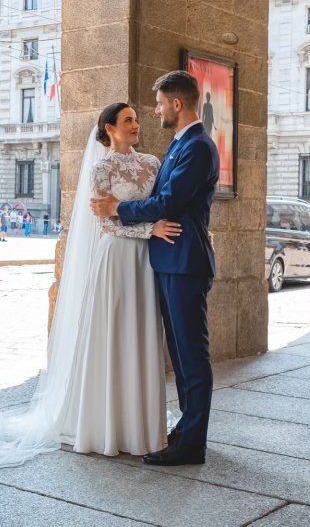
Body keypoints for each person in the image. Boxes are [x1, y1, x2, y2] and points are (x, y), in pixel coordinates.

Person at [0, 103, 181, 471]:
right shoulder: (100, 169)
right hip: (116, 258)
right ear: (109, 128)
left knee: (143, 336)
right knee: (112, 338)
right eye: (128, 120)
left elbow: (157, 205)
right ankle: (103, 426)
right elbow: (106, 223)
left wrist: (149, 223)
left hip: (145, 262)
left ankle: (141, 427)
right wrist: (150, 228)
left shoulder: (152, 162)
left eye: (137, 119)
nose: (137, 125)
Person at [91, 71, 220, 466]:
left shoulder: (197, 147)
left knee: (192, 355)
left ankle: (192, 443)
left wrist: (119, 208)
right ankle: (186, 427)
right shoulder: (181, 144)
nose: (156, 110)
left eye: (161, 103)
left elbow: (167, 201)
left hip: (184, 261)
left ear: (176, 104)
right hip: (168, 259)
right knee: (180, 355)